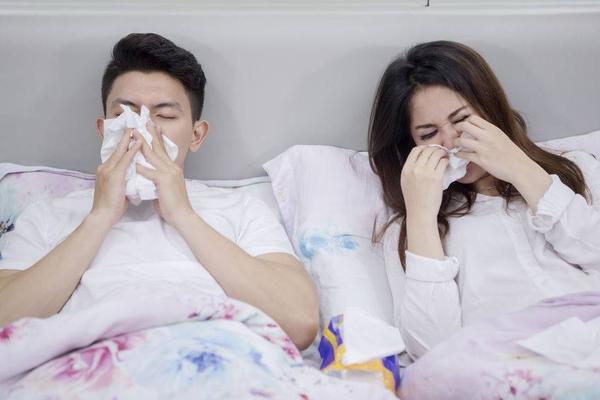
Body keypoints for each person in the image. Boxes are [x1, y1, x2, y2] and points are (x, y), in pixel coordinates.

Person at [0, 33, 318, 350]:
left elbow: (299, 324)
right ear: (103, 129)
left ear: (196, 135)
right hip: (93, 366)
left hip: (214, 358)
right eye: (123, 116)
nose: (142, 130)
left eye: (164, 116)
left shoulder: (241, 209)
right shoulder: (48, 214)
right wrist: (99, 218)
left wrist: (183, 215)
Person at [367, 40, 600, 359]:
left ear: (490, 109)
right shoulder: (413, 231)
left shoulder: (577, 169)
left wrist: (521, 169)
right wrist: (421, 216)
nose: (451, 141)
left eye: (462, 119)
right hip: (512, 365)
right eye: (429, 134)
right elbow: (431, 348)